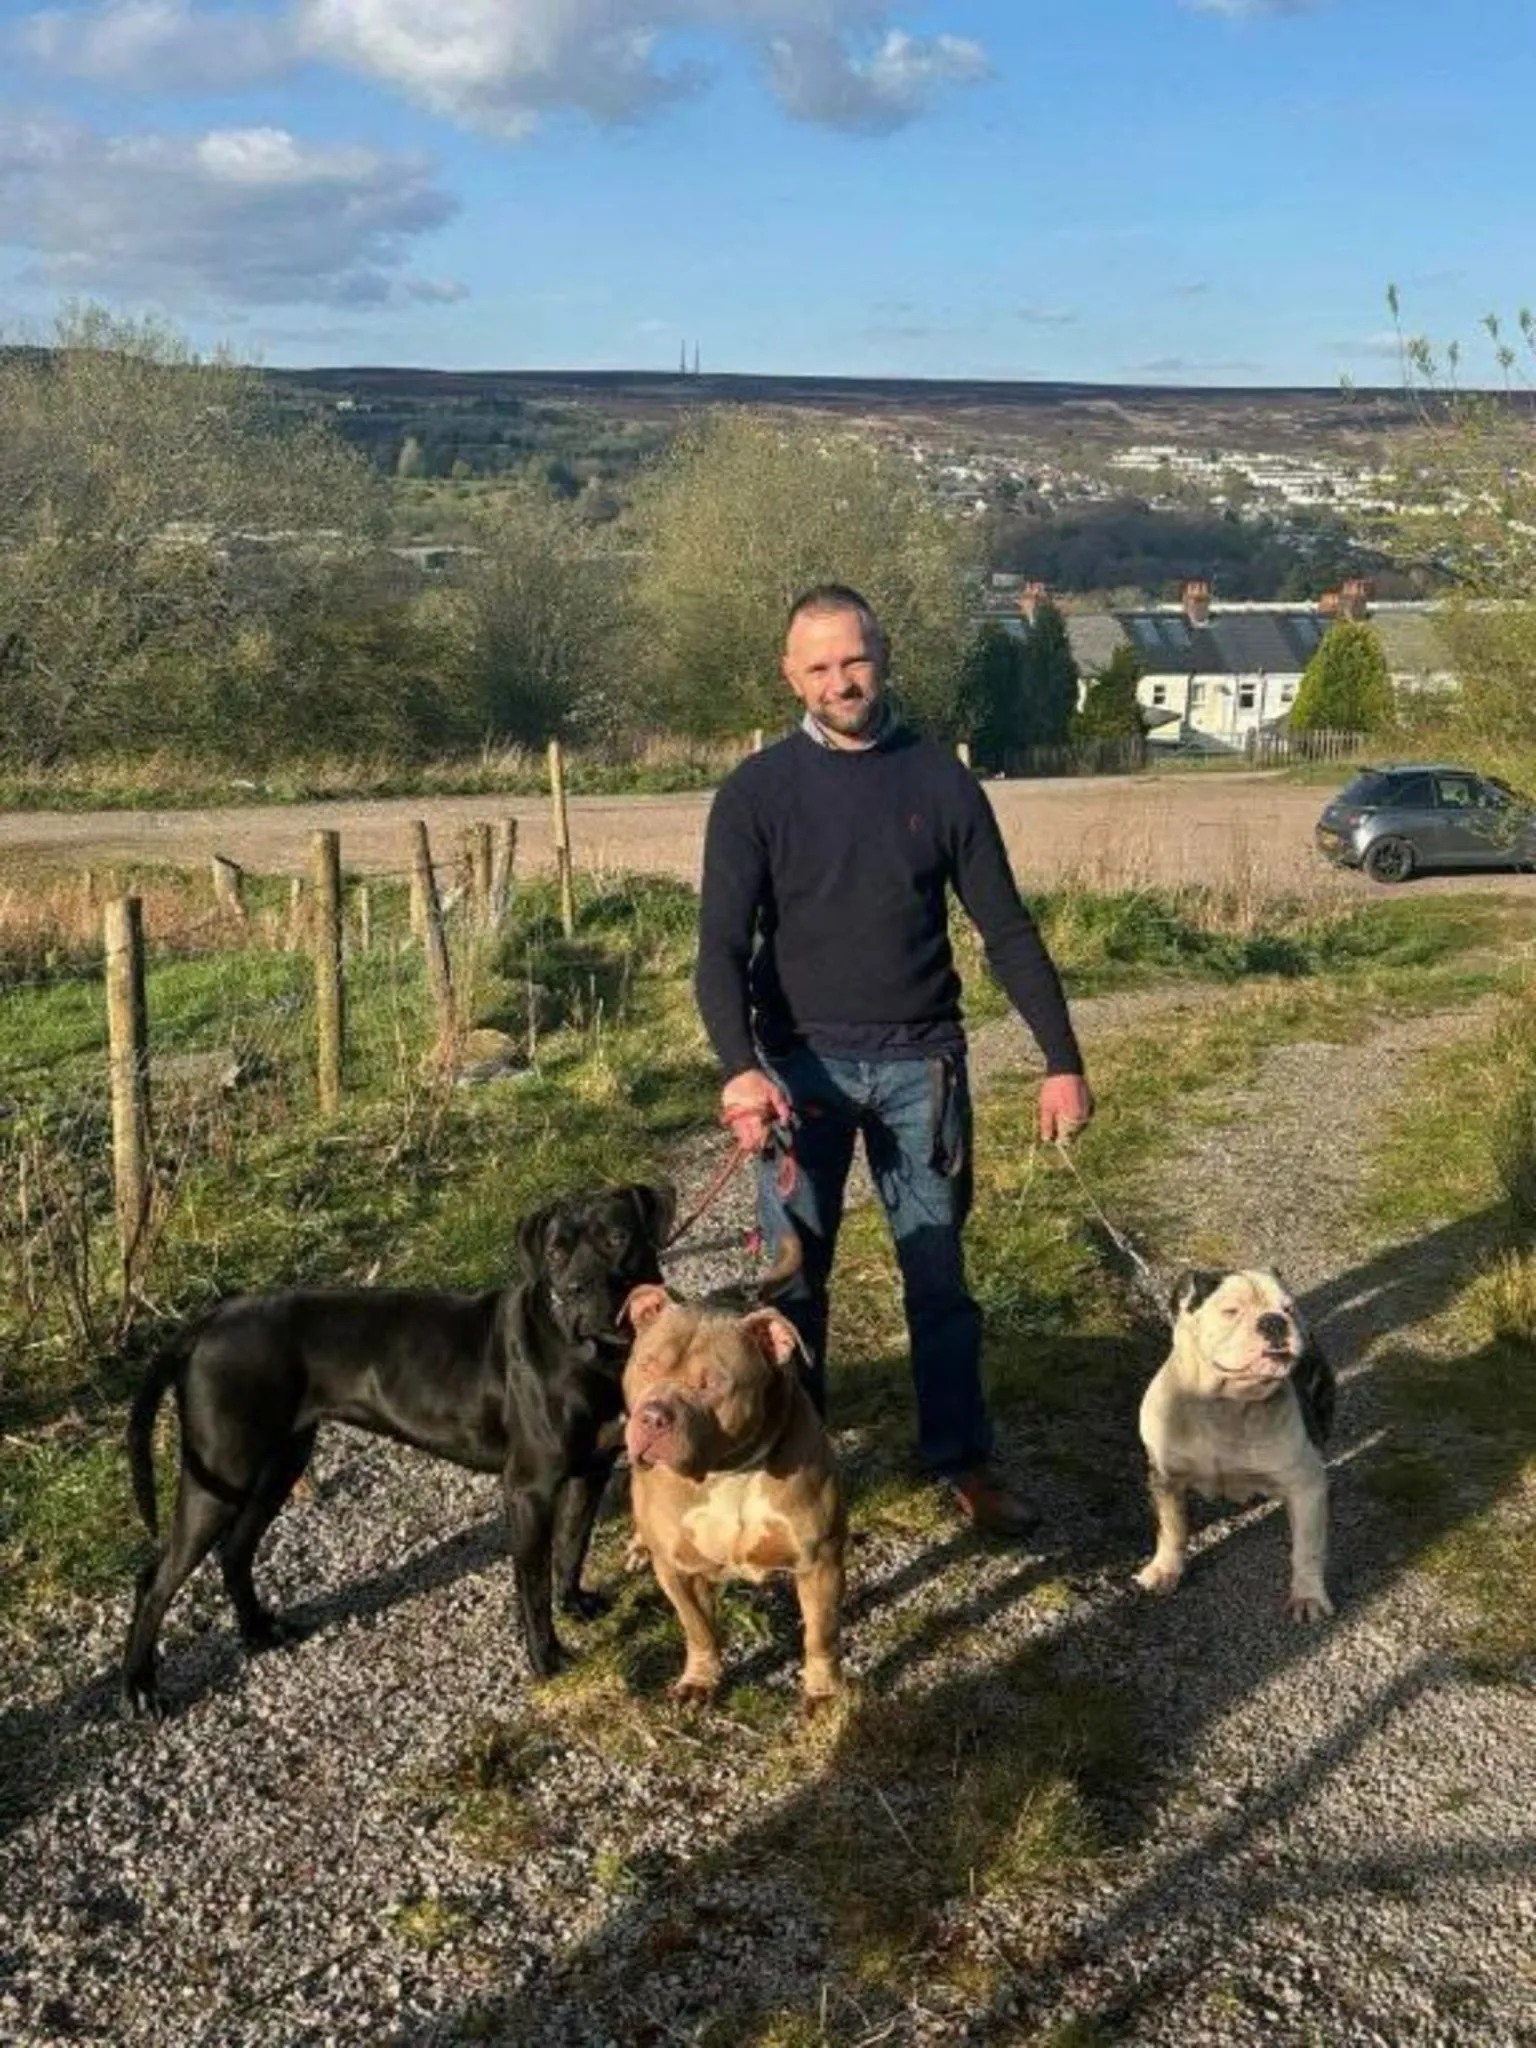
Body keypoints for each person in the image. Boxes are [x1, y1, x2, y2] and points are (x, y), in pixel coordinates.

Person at [694, 583, 1093, 1535]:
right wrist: (740, 1067)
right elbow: (717, 947)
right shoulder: (756, 792)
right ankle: (796, 1470)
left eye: (855, 660)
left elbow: (1005, 929)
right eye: (820, 665)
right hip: (799, 1076)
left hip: (924, 1070)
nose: (842, 681)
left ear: (884, 659)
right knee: (790, 1289)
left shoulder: (941, 782)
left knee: (940, 1281)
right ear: (791, 674)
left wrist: (1061, 1059)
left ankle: (962, 1459)